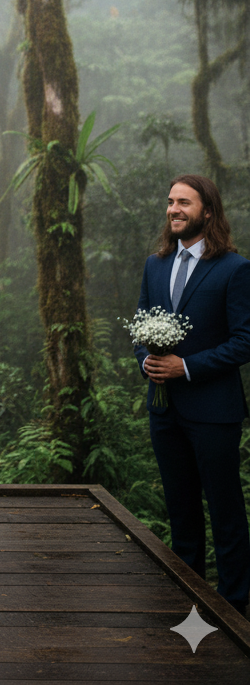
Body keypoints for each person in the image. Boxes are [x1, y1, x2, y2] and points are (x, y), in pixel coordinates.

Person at [136, 174, 250, 617]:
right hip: (164, 411)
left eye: (184, 202)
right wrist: (146, 361)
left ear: (207, 210)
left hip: (214, 412)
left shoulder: (234, 269)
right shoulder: (155, 265)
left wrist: (185, 366)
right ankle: (189, 601)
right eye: (170, 202)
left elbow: (244, 341)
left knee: (225, 512)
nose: (173, 209)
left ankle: (235, 606)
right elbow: (140, 327)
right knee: (181, 511)